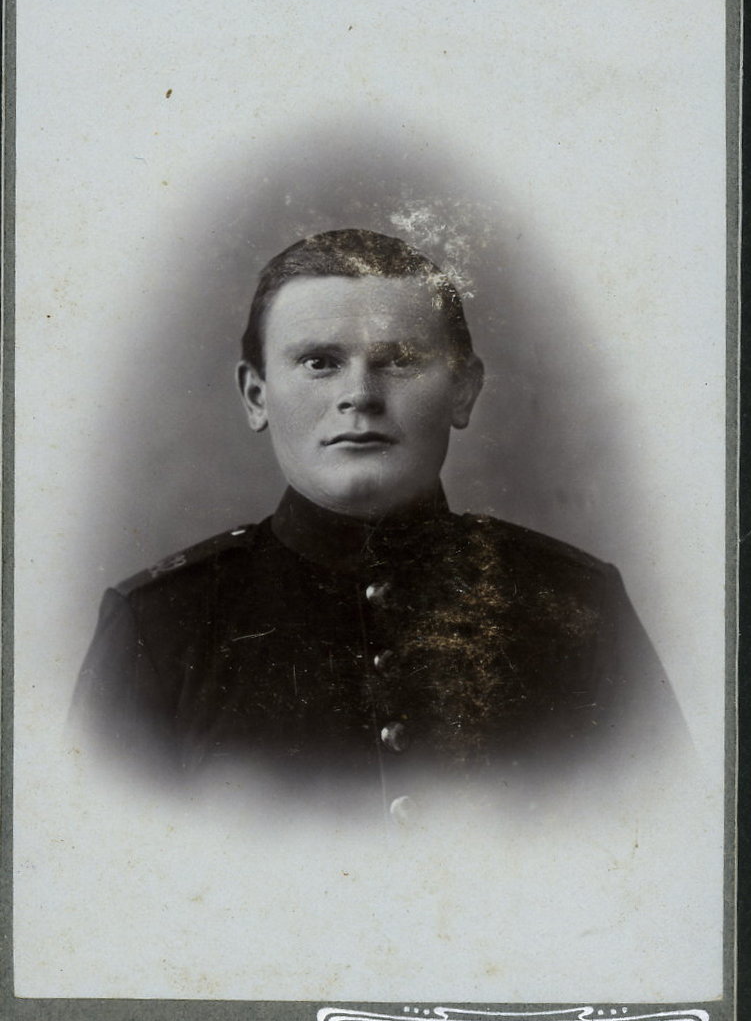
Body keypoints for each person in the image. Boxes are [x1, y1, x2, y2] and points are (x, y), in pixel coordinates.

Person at [70, 228, 688, 814]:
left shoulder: (576, 604)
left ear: (463, 391)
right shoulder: (159, 626)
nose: (360, 395)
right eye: (319, 362)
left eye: (400, 359)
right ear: (257, 397)